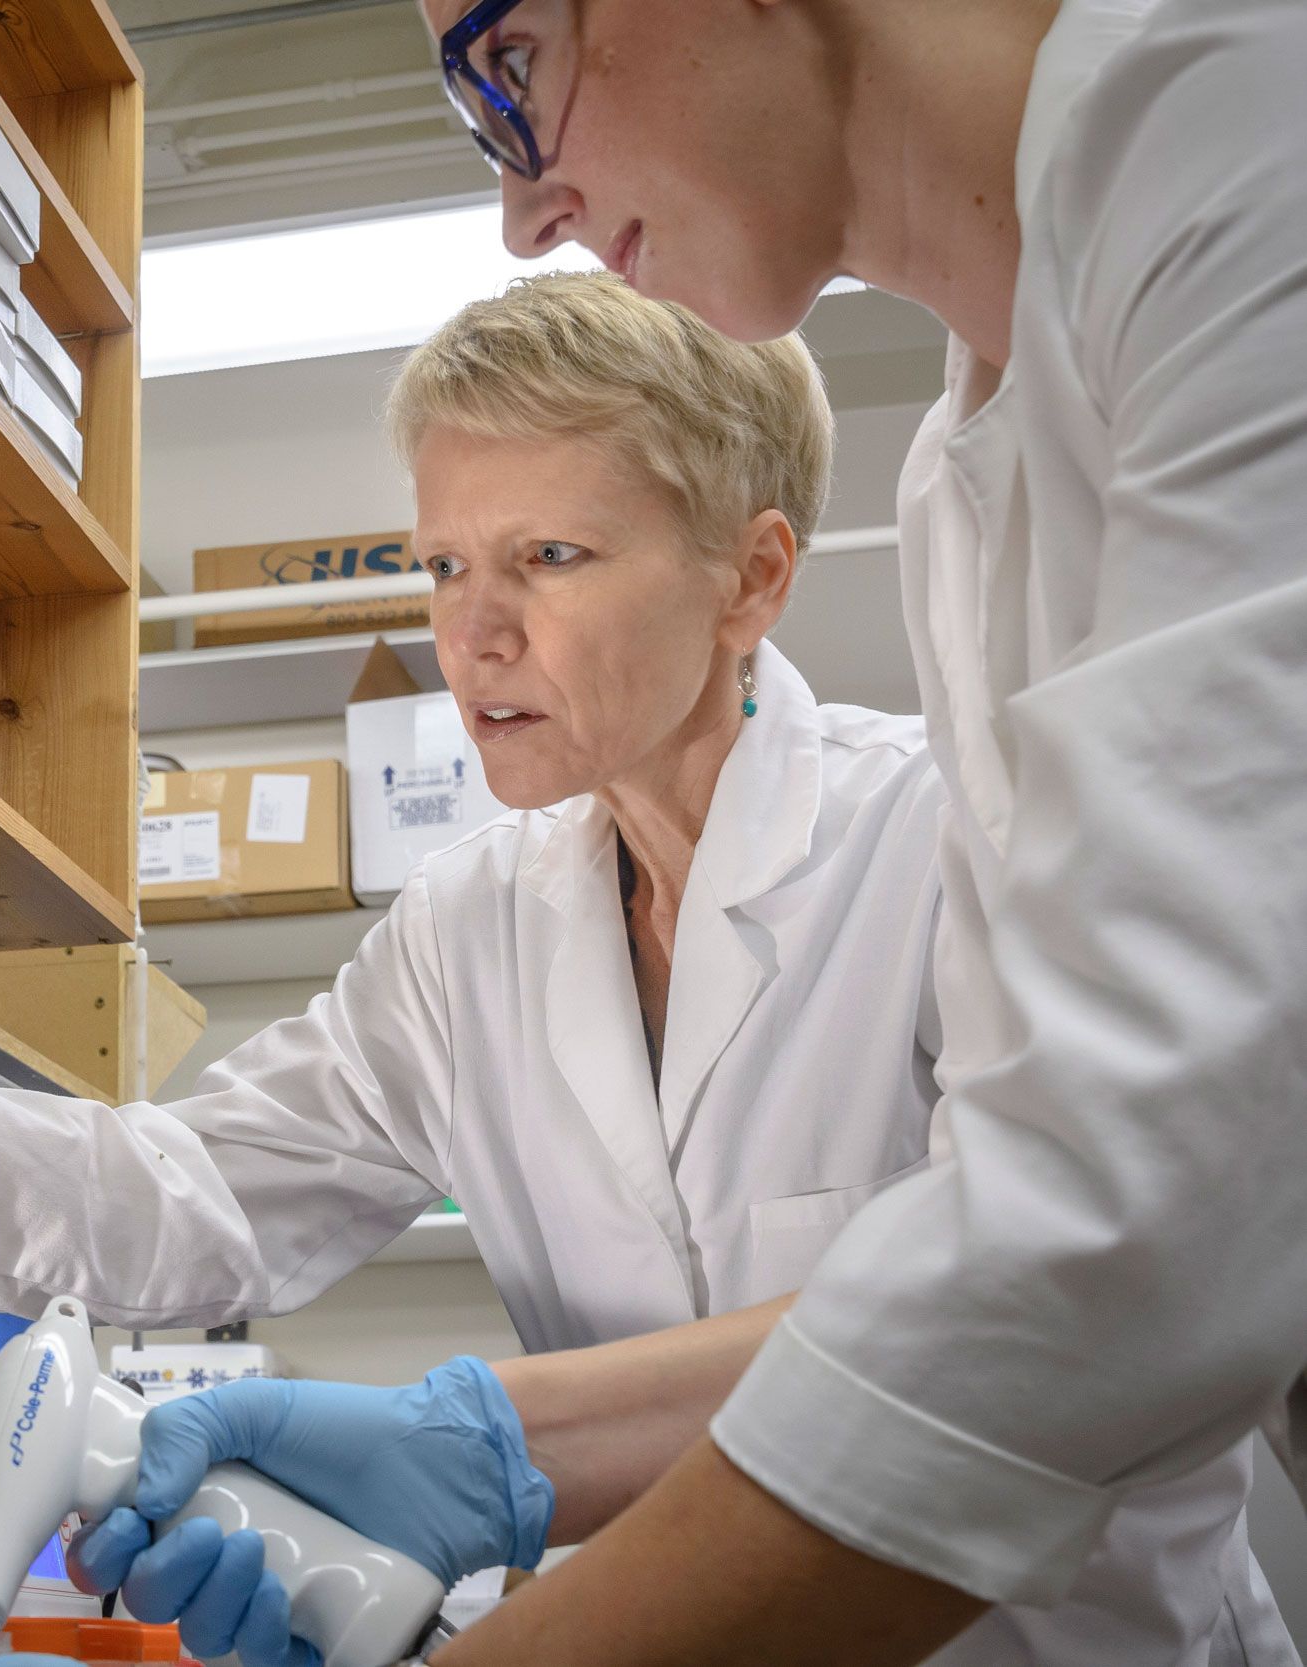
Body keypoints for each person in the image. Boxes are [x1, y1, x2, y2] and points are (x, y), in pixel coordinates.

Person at [0, 273, 1286, 1662]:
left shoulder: (950, 845)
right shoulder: (477, 929)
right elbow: (201, 1195)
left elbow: (1038, 1310)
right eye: (444, 563)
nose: (470, 632)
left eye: (549, 558)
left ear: (753, 578)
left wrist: (479, 1450)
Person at [370, 0, 1307, 1660]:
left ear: (754, 578)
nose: (526, 212)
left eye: (508, 65)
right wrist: (483, 1455)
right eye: (445, 568)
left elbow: (1133, 1221)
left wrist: (504, 1494)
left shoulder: (1248, 130)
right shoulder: (976, 465)